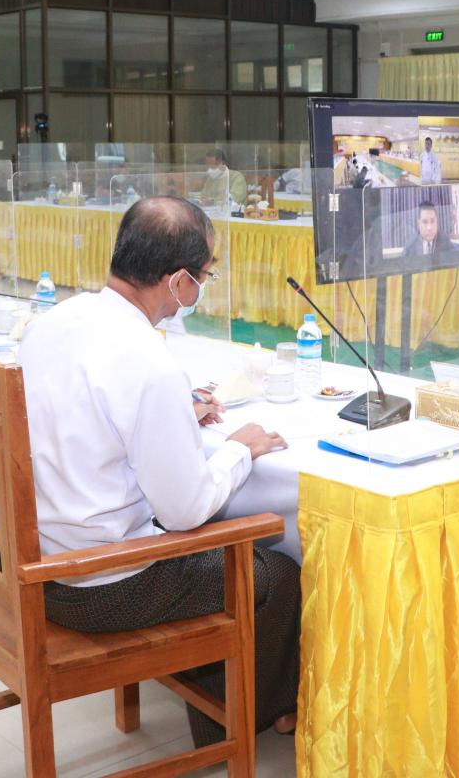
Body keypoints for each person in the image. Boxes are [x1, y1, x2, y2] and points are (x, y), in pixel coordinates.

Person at [17, 196, 299, 747]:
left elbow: (85, 417)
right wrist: (239, 449)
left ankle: (216, 704)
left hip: (39, 562)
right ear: (177, 282)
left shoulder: (55, 322)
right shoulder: (148, 361)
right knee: (277, 572)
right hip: (104, 585)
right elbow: (187, 510)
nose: (200, 290)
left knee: (219, 553)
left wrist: (174, 415)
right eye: (204, 277)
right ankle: (231, 725)